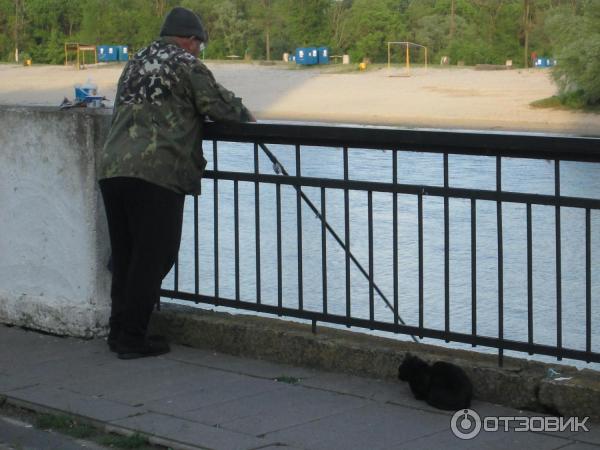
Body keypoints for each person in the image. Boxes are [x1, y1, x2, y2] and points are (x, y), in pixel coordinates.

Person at [98, 7, 255, 359]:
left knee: (126, 256)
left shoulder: (136, 61)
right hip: (157, 172)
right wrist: (247, 117)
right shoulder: (186, 64)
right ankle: (132, 339)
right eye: (200, 44)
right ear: (190, 39)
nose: (199, 50)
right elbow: (220, 105)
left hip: (112, 168)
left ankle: (117, 331)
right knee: (154, 255)